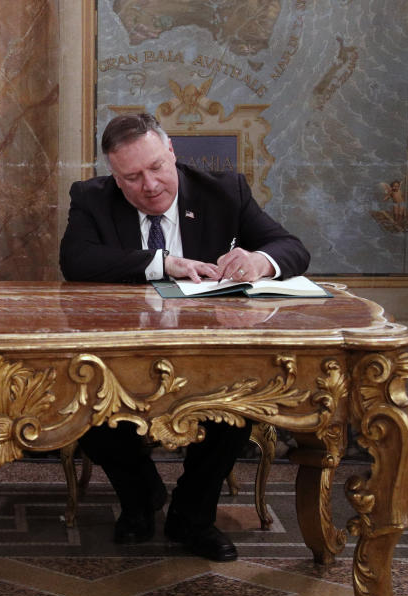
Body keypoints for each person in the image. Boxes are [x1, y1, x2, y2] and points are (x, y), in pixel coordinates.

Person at [59, 113, 310, 561]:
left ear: (172, 151)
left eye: (157, 167)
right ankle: (142, 499)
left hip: (208, 354)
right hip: (123, 354)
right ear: (114, 177)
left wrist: (258, 260)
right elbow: (75, 261)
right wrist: (162, 263)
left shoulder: (223, 191)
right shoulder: (91, 198)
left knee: (234, 413)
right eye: (131, 177)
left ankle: (192, 518)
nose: (150, 185)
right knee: (86, 406)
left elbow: (292, 247)